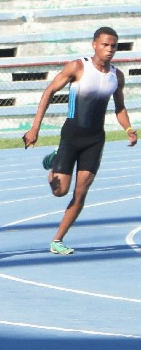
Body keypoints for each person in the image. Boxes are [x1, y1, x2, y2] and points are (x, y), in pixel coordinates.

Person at [22, 26, 137, 255]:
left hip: (95, 140)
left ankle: (58, 240)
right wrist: (35, 128)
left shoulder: (117, 75)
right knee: (60, 191)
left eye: (113, 46)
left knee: (81, 192)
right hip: (72, 136)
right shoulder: (78, 67)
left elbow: (120, 107)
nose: (110, 50)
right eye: (105, 44)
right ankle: (55, 160)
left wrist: (129, 128)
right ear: (94, 44)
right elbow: (49, 92)